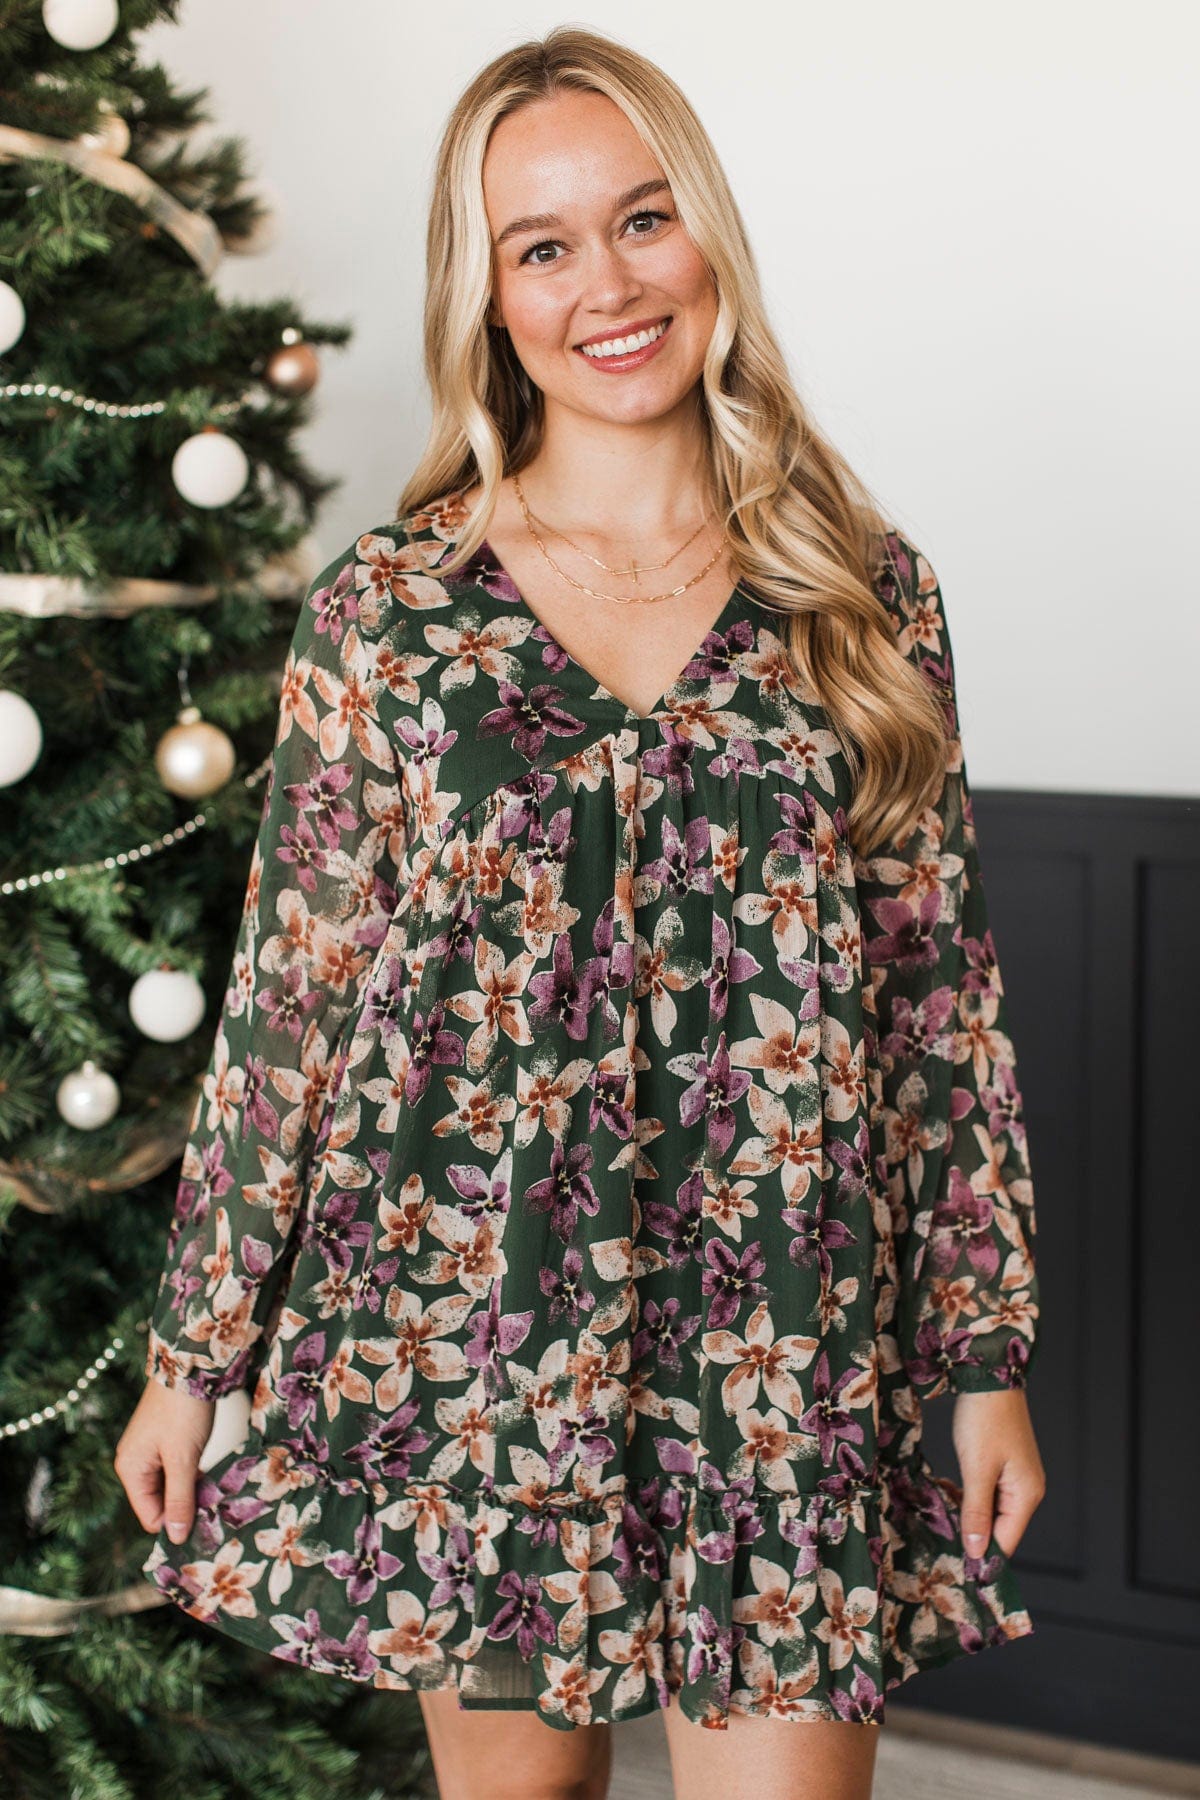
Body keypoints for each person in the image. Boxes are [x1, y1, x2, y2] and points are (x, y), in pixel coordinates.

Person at [114, 25, 1047, 1800]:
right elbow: (289, 1009)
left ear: (707, 236)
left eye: (641, 220)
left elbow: (940, 1001)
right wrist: (192, 1358)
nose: (606, 286)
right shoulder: (390, 615)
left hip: (782, 1344)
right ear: (489, 298)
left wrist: (986, 1362)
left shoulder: (861, 598)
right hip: (460, 1337)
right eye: (541, 246)